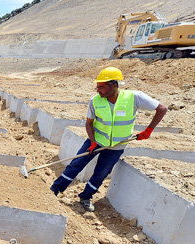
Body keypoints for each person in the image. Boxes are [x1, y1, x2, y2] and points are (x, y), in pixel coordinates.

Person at [50, 67, 167, 212]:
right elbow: (89, 123)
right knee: (76, 164)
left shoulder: (134, 97)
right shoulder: (95, 101)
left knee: (101, 173)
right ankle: (54, 189)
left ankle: (86, 197)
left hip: (117, 145)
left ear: (114, 85)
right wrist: (92, 141)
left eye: (102, 87)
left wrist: (148, 130)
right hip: (96, 141)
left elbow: (162, 108)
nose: (98, 90)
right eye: (97, 87)